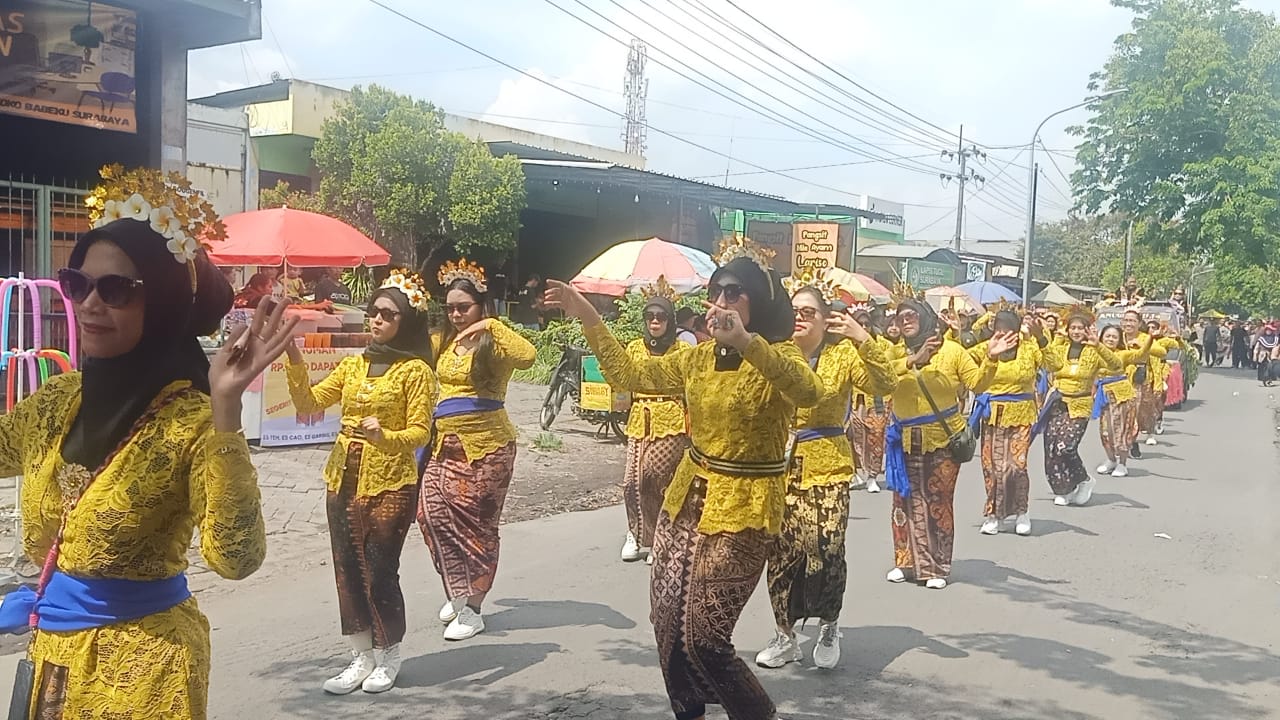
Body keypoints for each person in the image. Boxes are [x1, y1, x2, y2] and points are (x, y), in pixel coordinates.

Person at [0, 169, 295, 719]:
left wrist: (226, 410)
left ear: (159, 303)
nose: (90, 305)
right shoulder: (58, 401)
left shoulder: (193, 421)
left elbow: (237, 559)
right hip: (52, 659)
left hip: (145, 670)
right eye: (77, 284)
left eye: (116, 290)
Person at [544, 236, 821, 720]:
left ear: (759, 301)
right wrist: (587, 314)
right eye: (716, 293)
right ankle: (688, 711)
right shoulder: (695, 358)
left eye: (734, 293)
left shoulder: (781, 356)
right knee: (668, 629)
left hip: (744, 509)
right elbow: (628, 372)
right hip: (685, 502)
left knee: (706, 639)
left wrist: (746, 343)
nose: (721, 304)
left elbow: (808, 392)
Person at [284, 269, 436, 695]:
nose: (377, 320)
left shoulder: (416, 372)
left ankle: (389, 655)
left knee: (381, 570)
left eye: (388, 314)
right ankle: (360, 655)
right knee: (347, 567)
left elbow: (421, 432)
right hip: (343, 478)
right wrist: (295, 357)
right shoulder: (354, 365)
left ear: (406, 321)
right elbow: (308, 402)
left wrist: (384, 437)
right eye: (373, 312)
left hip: (391, 481)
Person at [755, 276, 895, 671]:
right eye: (794, 311)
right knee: (781, 553)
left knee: (826, 547)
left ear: (824, 319)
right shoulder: (775, 352)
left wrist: (863, 337)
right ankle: (785, 635)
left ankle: (829, 623)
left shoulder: (843, 355)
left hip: (829, 463)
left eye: (809, 312)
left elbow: (886, 383)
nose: (800, 318)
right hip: (779, 467)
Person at [420, 259, 536, 641]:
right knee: (429, 515)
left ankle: (473, 607)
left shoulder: (493, 338)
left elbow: (528, 356)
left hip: (487, 449)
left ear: (481, 306)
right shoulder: (442, 340)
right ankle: (458, 588)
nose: (456, 314)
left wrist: (490, 324)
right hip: (442, 446)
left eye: (464, 308)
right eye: (450, 307)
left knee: (478, 528)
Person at [884, 296, 1007, 591]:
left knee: (936, 501)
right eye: (901, 317)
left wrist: (991, 358)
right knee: (903, 501)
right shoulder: (892, 354)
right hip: (903, 439)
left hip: (943, 439)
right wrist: (913, 360)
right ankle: (906, 560)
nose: (906, 321)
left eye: (911, 315)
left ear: (926, 318)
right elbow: (882, 380)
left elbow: (977, 383)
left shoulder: (952, 352)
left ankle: (936, 565)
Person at [619, 277, 691, 564]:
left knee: (656, 475)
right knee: (631, 482)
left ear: (670, 320)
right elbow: (622, 379)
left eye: (661, 316)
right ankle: (636, 533)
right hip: (639, 418)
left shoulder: (683, 350)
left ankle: (661, 535)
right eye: (650, 316)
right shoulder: (635, 348)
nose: (655, 322)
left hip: (672, 420)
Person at [967, 309, 1050, 537]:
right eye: (999, 328)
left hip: (1021, 414)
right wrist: (955, 332)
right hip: (992, 414)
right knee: (992, 467)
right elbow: (960, 358)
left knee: (1016, 465)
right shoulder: (987, 346)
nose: (1003, 333)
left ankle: (1021, 511)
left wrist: (1041, 338)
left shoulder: (1030, 347)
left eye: (1007, 328)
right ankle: (993, 514)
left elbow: (1055, 364)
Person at [1039, 307, 1114, 506]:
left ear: (1088, 330)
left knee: (1066, 447)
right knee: (1051, 448)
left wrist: (1099, 345)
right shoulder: (1060, 348)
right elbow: (1047, 361)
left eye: (1081, 328)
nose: (1076, 332)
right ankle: (1063, 489)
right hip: (1057, 403)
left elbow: (1116, 365)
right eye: (1073, 328)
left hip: (1080, 405)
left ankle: (1084, 480)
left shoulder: (1094, 351)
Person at [847, 302, 894, 493]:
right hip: (856, 400)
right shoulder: (847, 347)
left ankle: (872, 476)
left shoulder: (883, 345)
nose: (864, 328)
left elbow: (888, 371)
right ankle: (858, 472)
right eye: (860, 324)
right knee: (857, 439)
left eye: (867, 324)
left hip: (878, 401)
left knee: (876, 438)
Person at [1094, 325, 1151, 478]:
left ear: (1119, 340)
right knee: (1105, 432)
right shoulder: (1094, 352)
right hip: (1103, 396)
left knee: (1120, 430)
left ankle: (1122, 463)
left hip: (1121, 396)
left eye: (1114, 337)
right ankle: (1111, 459)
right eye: (1107, 336)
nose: (1110, 339)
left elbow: (1141, 354)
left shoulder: (1123, 354)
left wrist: (1151, 338)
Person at [1123, 311, 1169, 450]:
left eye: (1132, 321)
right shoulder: (1118, 337)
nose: (1128, 324)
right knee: (1123, 414)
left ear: (1139, 324)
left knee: (1142, 411)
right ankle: (1127, 442)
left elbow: (1162, 352)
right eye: (1126, 320)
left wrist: (1143, 347)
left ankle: (1141, 436)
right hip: (1119, 380)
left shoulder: (1144, 338)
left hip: (1140, 380)